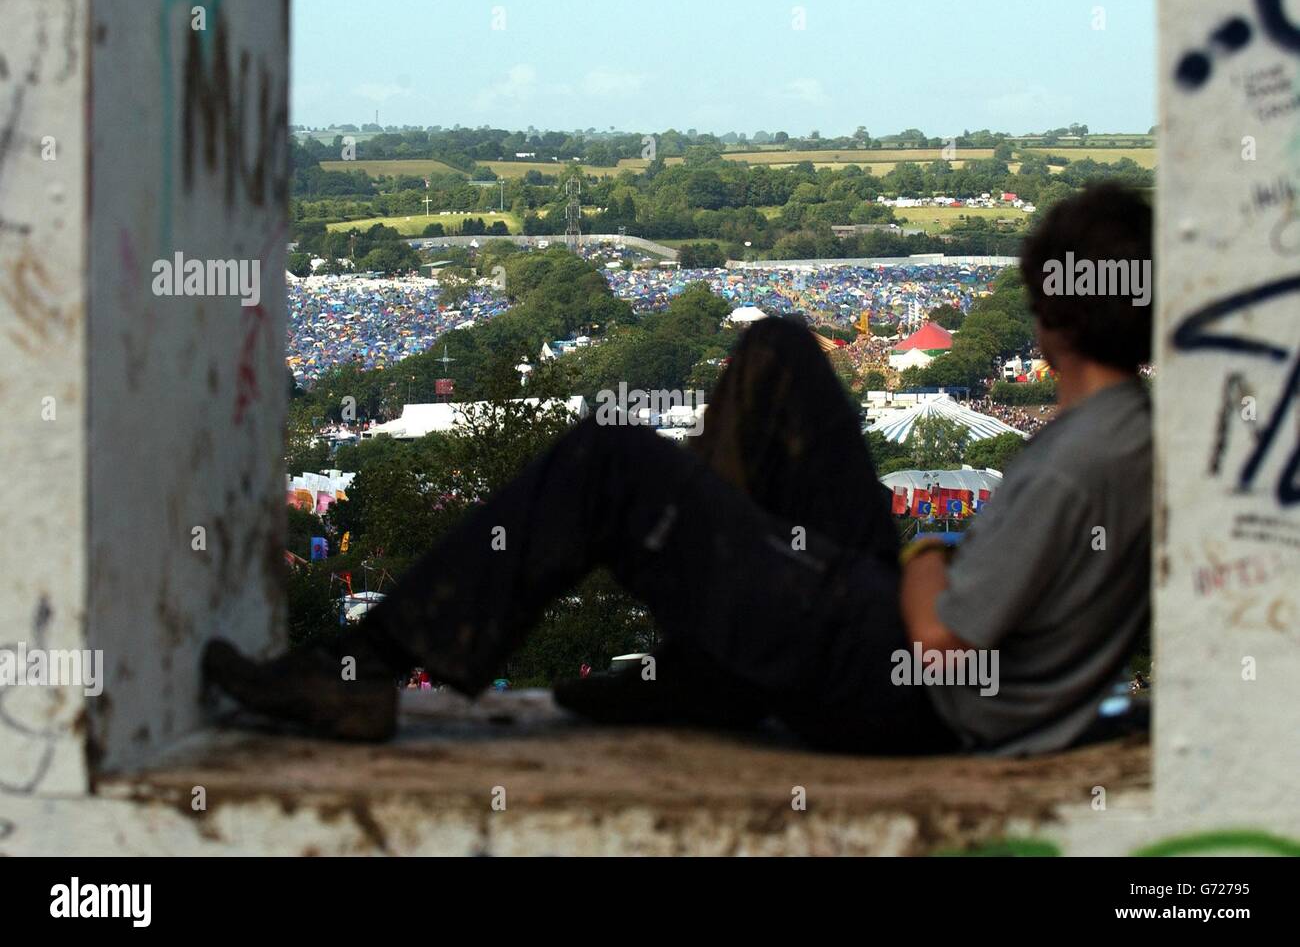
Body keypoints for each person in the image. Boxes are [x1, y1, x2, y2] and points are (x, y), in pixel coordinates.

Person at [204, 183, 1152, 756]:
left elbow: (941, 637)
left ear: (1049, 317)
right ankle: (711, 674)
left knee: (612, 458)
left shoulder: (1079, 462)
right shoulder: (1134, 434)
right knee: (777, 348)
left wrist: (932, 550)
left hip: (902, 691)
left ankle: (366, 672)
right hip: (921, 670)